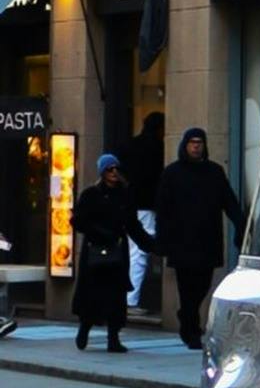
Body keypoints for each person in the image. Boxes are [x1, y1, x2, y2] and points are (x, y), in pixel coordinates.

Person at [153, 126, 245, 351]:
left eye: (199, 142)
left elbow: (229, 201)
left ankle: (186, 315)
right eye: (192, 142)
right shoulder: (172, 173)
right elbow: (162, 209)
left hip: (207, 239)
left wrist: (240, 225)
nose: (196, 146)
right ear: (185, 145)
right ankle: (191, 330)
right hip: (182, 240)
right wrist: (163, 240)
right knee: (187, 287)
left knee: (203, 284)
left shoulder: (214, 172)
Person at [73, 155, 153, 353]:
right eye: (109, 169)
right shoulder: (91, 194)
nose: (114, 172)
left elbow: (132, 225)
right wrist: (100, 233)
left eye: (116, 168)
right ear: (102, 172)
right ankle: (85, 328)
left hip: (117, 251)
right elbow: (78, 221)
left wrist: (150, 244)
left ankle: (113, 338)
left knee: (116, 296)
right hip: (95, 251)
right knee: (93, 294)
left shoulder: (125, 195)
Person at [124, 109, 166, 310]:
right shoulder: (156, 147)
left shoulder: (132, 145)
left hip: (134, 203)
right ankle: (131, 299)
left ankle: (130, 298)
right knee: (139, 252)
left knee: (136, 251)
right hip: (147, 205)